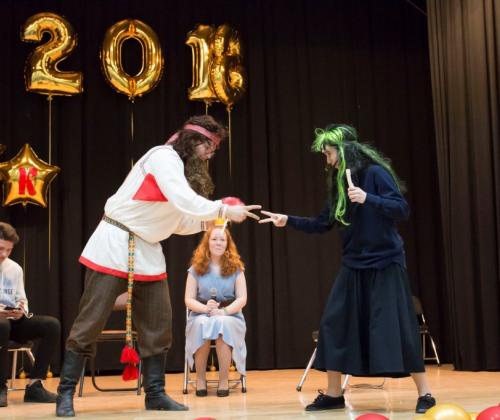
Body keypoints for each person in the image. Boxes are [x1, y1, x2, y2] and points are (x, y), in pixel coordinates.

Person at [56, 115, 260, 417]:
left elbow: (179, 221)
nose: (210, 155)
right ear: (192, 140)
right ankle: (65, 393)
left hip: (148, 251)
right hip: (114, 244)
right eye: (209, 147)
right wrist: (222, 208)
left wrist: (216, 219)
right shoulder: (162, 157)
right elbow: (184, 200)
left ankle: (155, 394)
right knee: (90, 322)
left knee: (158, 324)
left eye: (214, 150)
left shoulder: (181, 174)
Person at [260, 124, 436, 414]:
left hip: (386, 262)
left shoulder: (375, 173)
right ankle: (333, 394)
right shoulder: (340, 182)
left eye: (329, 153)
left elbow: (401, 209)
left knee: (397, 326)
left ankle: (426, 393)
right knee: (334, 325)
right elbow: (322, 223)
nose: (327, 160)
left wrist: (369, 198)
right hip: (354, 264)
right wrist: (287, 220)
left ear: (345, 150)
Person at [0, 222, 61, 407]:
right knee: (2, 325)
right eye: (1, 249)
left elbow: (22, 299)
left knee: (51, 325)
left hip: (11, 321)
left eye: (9, 250)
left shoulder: (15, 269)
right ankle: (0, 387)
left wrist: (21, 310)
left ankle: (35, 386)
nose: (4, 254)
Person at [184, 223, 247, 397]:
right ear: (207, 242)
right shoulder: (196, 268)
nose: (218, 243)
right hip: (201, 313)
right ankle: (201, 380)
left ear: (227, 243)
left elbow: (242, 298)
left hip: (230, 314)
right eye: (214, 239)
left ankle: (224, 380)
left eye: (222, 240)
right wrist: (205, 308)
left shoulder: (237, 268)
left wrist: (224, 312)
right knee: (201, 324)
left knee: (222, 324)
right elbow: (188, 299)